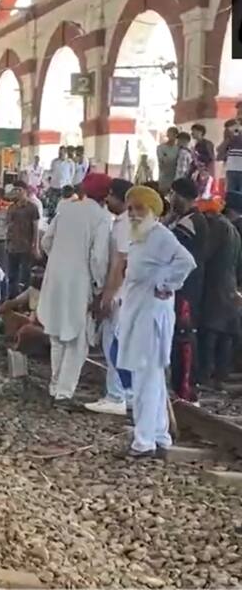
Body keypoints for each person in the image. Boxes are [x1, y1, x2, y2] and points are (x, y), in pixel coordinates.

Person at [116, 185, 196, 458]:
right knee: (152, 377)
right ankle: (160, 435)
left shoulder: (160, 236)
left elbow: (186, 261)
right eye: (130, 209)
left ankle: (144, 441)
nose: (133, 214)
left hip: (150, 317)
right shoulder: (140, 236)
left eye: (139, 209)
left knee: (145, 378)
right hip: (138, 312)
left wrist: (166, 284)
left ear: (152, 211)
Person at [37, 172, 111, 403]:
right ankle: (64, 392)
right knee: (77, 339)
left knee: (57, 332)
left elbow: (46, 241)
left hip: (55, 277)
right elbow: (98, 258)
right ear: (106, 196)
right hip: (80, 281)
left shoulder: (66, 209)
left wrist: (58, 259)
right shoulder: (101, 218)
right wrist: (99, 287)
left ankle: (54, 385)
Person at [85, 178, 136, 416]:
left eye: (110, 196)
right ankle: (128, 393)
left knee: (113, 344)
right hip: (125, 292)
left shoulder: (125, 225)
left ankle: (116, 395)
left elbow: (120, 264)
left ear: (120, 198)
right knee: (120, 343)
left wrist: (108, 295)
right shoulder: (125, 222)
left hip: (120, 293)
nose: (107, 200)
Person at [165, 177, 208, 403]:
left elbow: (167, 249)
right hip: (186, 286)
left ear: (179, 195)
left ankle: (185, 389)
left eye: (172, 194)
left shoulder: (188, 224)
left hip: (185, 288)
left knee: (183, 336)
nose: (170, 199)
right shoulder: (188, 220)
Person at [196, 197, 241, 390]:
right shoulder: (232, 230)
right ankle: (220, 375)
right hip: (228, 286)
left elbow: (204, 253)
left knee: (210, 331)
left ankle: (206, 375)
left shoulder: (218, 226)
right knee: (225, 332)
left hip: (215, 287)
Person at [4, 181, 40, 298]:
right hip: (12, 246)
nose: (17, 192)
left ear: (25, 191)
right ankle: (12, 299)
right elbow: (8, 226)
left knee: (25, 276)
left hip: (26, 245)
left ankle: (24, 300)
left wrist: (35, 246)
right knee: (12, 275)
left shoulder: (32, 207)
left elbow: (35, 228)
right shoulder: (11, 207)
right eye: (15, 190)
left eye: (19, 190)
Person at [45, 147, 73, 219]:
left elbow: (72, 174)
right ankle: (51, 218)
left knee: (63, 205)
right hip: (54, 186)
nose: (60, 154)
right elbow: (51, 172)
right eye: (59, 152)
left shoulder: (70, 163)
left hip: (64, 187)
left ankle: (63, 218)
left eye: (62, 152)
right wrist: (47, 178)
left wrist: (69, 184)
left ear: (65, 153)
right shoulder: (54, 161)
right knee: (52, 204)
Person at [191, 123, 215, 198]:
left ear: (200, 132)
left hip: (205, 171)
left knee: (204, 192)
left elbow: (211, 157)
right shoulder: (196, 145)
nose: (192, 133)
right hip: (198, 171)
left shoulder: (207, 144)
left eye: (194, 131)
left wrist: (208, 171)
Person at [219, 120, 242, 194]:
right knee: (232, 193)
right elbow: (219, 152)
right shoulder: (229, 140)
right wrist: (228, 138)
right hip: (231, 169)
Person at [156, 127, 180, 195]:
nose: (171, 136)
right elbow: (162, 161)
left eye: (173, 134)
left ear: (176, 135)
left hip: (175, 177)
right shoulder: (160, 148)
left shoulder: (178, 149)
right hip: (164, 177)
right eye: (169, 134)